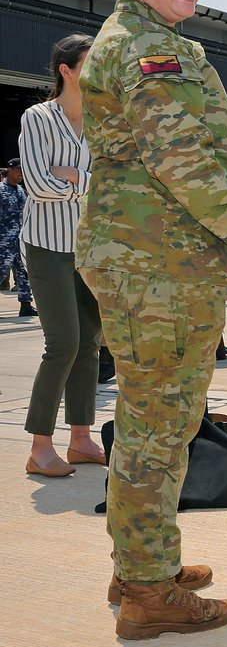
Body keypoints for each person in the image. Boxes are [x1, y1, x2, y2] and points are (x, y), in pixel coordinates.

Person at [76, 0, 227, 640]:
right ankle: (146, 590)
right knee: (158, 422)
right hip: (152, 265)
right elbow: (185, 161)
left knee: (157, 418)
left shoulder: (155, 39)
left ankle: (144, 563)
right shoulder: (144, 49)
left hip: (160, 260)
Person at [19, 34, 107, 478]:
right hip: (47, 246)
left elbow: (112, 181)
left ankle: (81, 439)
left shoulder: (100, 119)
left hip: (89, 246)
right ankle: (39, 446)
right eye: (90, 63)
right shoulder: (37, 117)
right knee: (63, 345)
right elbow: (36, 184)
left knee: (90, 344)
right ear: (66, 70)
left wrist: (73, 177)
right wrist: (84, 181)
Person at [0, 159, 36, 317]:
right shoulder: (1, 190)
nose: (21, 173)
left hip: (20, 240)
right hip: (4, 241)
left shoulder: (21, 190)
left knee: (23, 273)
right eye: (18, 169)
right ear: (9, 169)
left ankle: (26, 305)